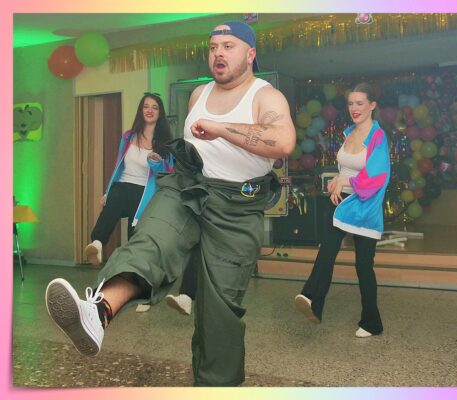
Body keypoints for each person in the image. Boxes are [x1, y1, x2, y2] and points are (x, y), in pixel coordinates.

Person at [45, 21, 295, 387]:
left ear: (250, 53)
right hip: (188, 186)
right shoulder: (199, 94)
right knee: (151, 242)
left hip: (237, 208)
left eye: (228, 46)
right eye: (213, 47)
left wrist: (221, 129)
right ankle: (97, 314)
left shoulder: (265, 96)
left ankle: (215, 388)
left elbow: (283, 142)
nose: (218, 53)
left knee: (219, 311)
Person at [294, 82, 390, 338]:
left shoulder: (378, 137)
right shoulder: (349, 132)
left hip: (364, 206)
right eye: (350, 103)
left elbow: (376, 176)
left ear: (372, 105)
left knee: (363, 266)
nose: (354, 108)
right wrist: (337, 180)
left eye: (360, 103)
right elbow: (346, 167)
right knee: (327, 249)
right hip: (340, 202)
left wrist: (344, 182)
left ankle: (372, 322)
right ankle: (312, 299)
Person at [84, 93, 173, 267]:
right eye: (146, 106)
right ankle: (97, 244)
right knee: (115, 197)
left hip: (144, 192)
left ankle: (133, 268)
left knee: (135, 234)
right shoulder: (128, 136)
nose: (149, 110)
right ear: (141, 110)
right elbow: (118, 166)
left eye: (155, 108)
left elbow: (167, 173)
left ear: (160, 113)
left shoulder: (165, 143)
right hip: (122, 186)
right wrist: (107, 192)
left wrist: (156, 163)